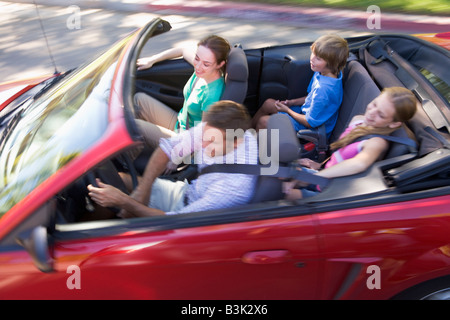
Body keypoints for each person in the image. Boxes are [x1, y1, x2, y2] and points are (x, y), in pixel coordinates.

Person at [87, 100, 258, 217]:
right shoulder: (218, 129)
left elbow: (176, 222)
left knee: (111, 200)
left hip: (183, 216)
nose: (203, 144)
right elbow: (167, 149)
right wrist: (143, 190)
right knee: (115, 180)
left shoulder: (232, 189)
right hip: (185, 192)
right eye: (204, 136)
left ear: (237, 143)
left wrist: (125, 202)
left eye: (212, 141)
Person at [283, 87, 417, 199]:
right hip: (323, 174)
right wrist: (319, 166)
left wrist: (315, 177)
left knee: (278, 191)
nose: (371, 113)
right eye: (375, 104)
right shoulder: (359, 120)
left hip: (330, 190)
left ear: (394, 124)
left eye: (381, 115)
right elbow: (343, 154)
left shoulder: (376, 142)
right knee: (277, 172)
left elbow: (358, 163)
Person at [135, 35, 231, 149]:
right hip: (180, 123)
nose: (198, 66)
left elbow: (203, 137)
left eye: (206, 64)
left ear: (220, 64)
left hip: (185, 142)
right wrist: (152, 59)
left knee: (134, 125)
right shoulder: (204, 72)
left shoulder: (212, 94)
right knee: (139, 99)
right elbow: (183, 50)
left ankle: (127, 164)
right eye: (197, 58)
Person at [252, 34, 349, 137]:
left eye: (318, 58)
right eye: (313, 53)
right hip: (304, 112)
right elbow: (310, 97)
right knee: (268, 103)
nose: (312, 59)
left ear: (331, 63)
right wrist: (291, 102)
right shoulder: (321, 72)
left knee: (264, 122)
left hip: (313, 129)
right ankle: (246, 133)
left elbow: (309, 123)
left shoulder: (324, 89)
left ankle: (252, 149)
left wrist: (287, 110)